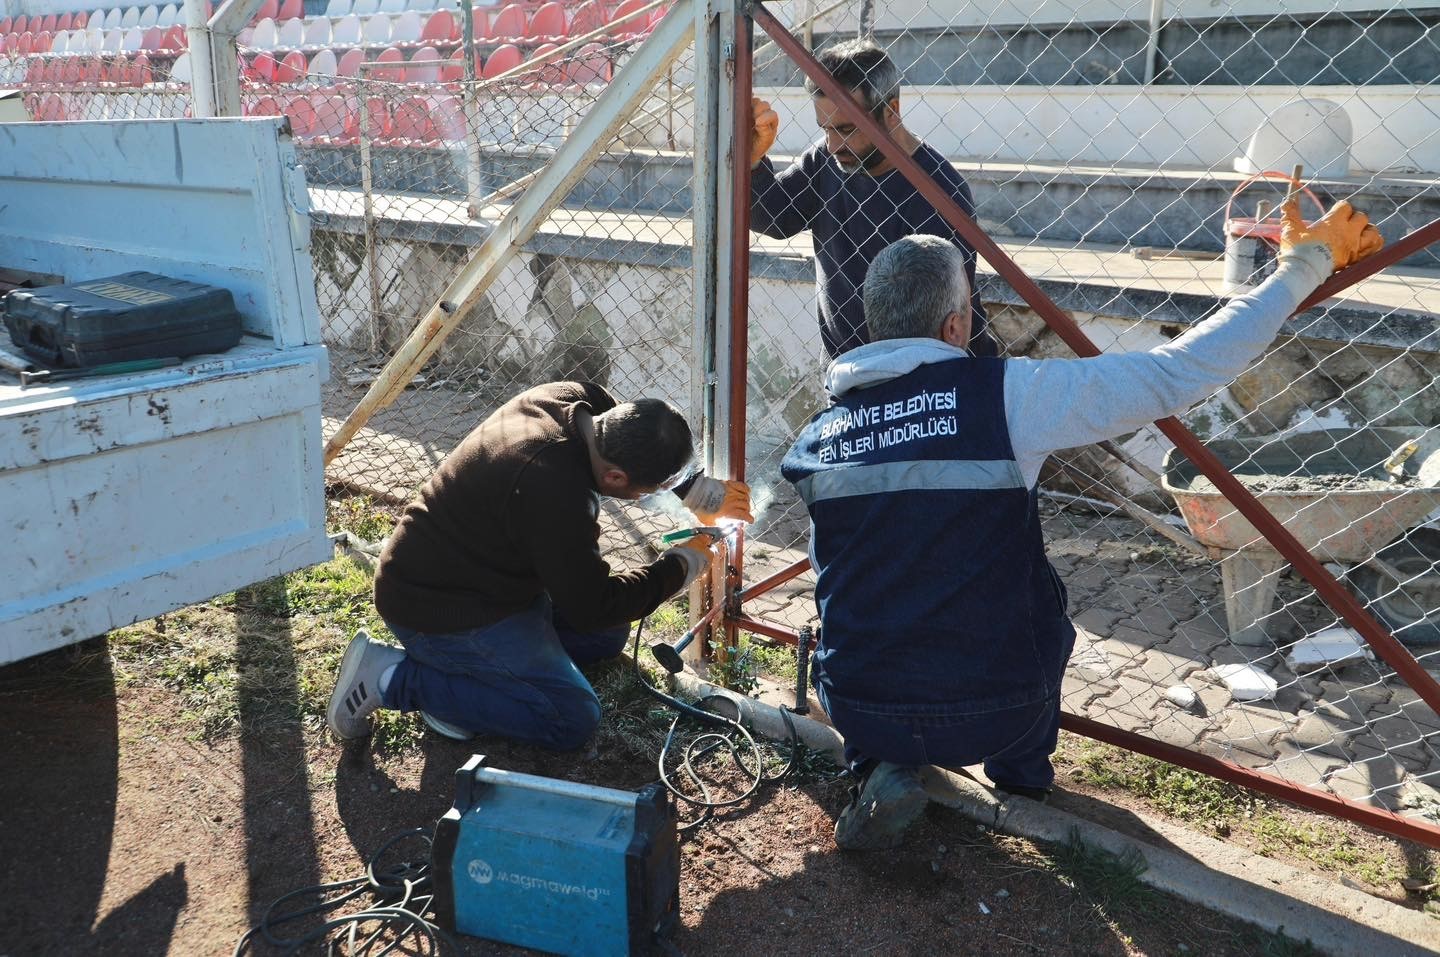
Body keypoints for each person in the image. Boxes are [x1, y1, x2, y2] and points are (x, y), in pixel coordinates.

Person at [781, 202, 1382, 850]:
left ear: (876, 324)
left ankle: (879, 765)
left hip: (863, 707)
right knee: (1046, 604)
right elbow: (1181, 369)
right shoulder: (1007, 397)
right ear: (955, 325)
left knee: (858, 594)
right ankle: (1021, 780)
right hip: (998, 710)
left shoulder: (819, 438)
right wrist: (1304, 264)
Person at [325, 381, 751, 748]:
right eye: (652, 490)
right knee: (572, 718)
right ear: (617, 478)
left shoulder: (576, 401)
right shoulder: (554, 489)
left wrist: (693, 488)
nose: (652, 496)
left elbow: (597, 612)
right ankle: (394, 678)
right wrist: (681, 564)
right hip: (440, 610)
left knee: (606, 636)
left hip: (471, 575)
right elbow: (593, 604)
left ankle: (470, 691)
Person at [748, 38, 995, 361]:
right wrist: (753, 160)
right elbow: (776, 217)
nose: (834, 144)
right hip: (846, 372)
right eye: (827, 129)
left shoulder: (938, 191)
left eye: (848, 129)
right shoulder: (827, 158)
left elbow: (944, 321)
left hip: (915, 378)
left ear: (891, 111)